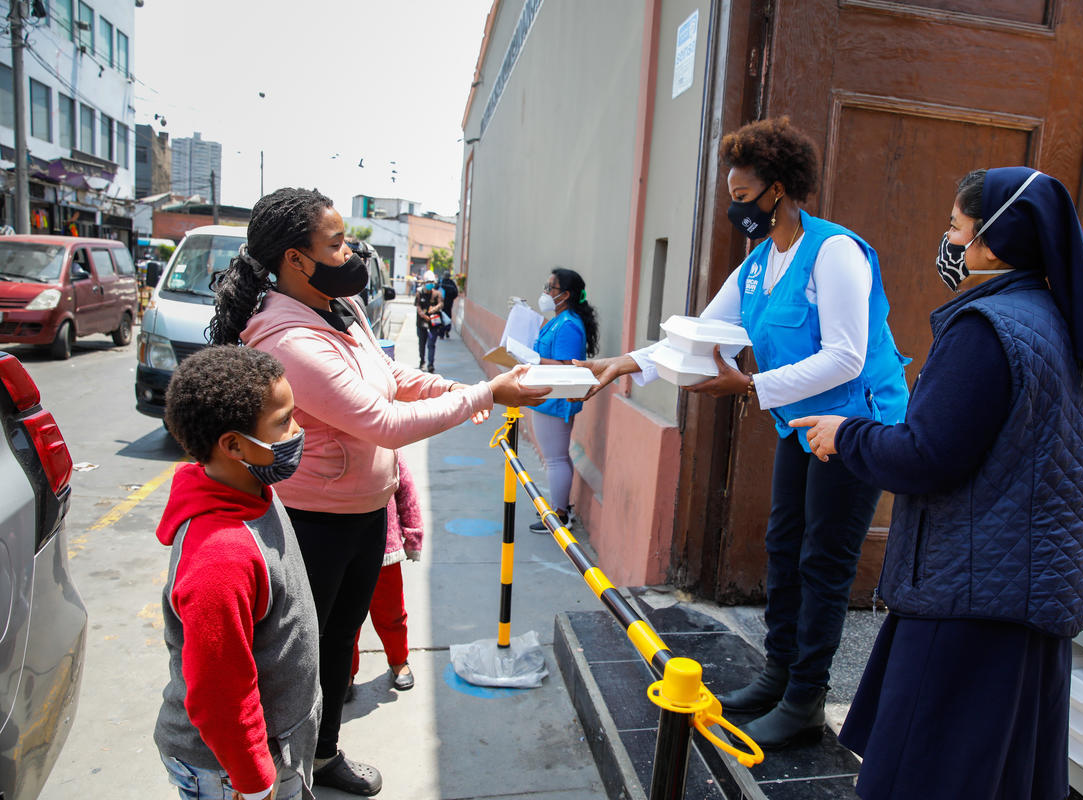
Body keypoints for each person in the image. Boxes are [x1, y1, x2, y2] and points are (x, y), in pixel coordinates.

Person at [577, 117, 909, 748]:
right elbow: (701, 336)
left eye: (743, 195)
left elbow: (847, 356)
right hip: (800, 422)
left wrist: (752, 386)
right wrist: (629, 362)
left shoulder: (834, 252)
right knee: (783, 546)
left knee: (824, 559)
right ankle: (777, 674)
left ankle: (806, 698)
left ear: (779, 189)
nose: (737, 208)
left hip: (855, 423)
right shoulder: (759, 265)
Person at [794, 167, 1083, 799]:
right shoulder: (1048, 317)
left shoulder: (985, 330)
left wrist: (847, 433)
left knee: (926, 778)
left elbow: (927, 455)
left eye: (955, 226)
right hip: (1016, 588)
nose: (948, 240)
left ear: (993, 240)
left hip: (971, 599)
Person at [206, 187, 547, 796]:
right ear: (296, 259)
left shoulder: (339, 308)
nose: (350, 253)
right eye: (336, 243)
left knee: (341, 643)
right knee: (299, 657)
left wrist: (457, 388)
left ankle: (323, 754)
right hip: (314, 523)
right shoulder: (288, 341)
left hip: (365, 510)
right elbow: (381, 421)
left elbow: (389, 376)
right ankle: (281, 773)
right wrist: (487, 395)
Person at [155, 345, 319, 800]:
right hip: (232, 770)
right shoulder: (220, 558)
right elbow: (219, 694)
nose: (297, 430)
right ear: (233, 445)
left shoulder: (252, 489)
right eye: (284, 421)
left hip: (271, 745)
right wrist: (254, 782)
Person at [527, 267, 598, 532]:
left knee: (555, 459)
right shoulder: (560, 319)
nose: (545, 293)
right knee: (558, 456)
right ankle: (561, 507)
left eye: (550, 288)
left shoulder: (568, 324)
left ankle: (559, 516)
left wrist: (533, 359)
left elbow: (568, 366)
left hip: (555, 401)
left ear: (565, 294)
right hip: (550, 398)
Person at [349, 455, 424, 696]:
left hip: (384, 552)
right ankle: (344, 673)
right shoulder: (324, 451)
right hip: (342, 553)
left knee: (391, 614)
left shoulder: (387, 452)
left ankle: (399, 660)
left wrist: (413, 536)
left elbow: (407, 495)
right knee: (345, 620)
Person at [415, 269, 443, 371]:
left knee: (431, 344)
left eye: (431, 282)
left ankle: (431, 364)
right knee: (422, 344)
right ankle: (422, 361)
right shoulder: (419, 293)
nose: (430, 284)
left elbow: (441, 304)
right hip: (421, 323)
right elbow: (417, 306)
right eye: (428, 282)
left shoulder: (437, 294)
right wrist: (423, 315)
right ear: (424, 283)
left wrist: (434, 309)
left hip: (433, 324)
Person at [439, 272, 459, 339]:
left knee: (441, 317)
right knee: (448, 316)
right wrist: (451, 298)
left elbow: (435, 290)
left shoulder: (440, 282)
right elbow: (456, 293)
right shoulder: (451, 283)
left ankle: (441, 334)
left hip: (440, 303)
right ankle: (447, 330)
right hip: (449, 304)